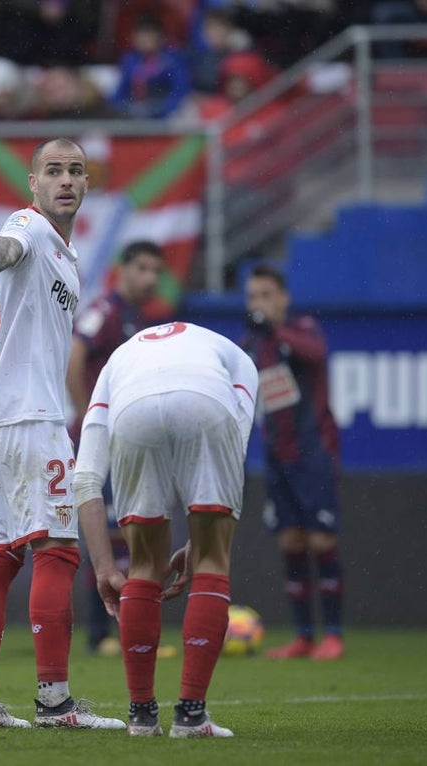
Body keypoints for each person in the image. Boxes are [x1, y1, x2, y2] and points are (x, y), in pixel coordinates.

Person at [0, 138, 125, 732]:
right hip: (31, 416)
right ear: (33, 183)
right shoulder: (28, 227)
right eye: (53, 171)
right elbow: (7, 248)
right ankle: (55, 703)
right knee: (57, 549)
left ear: (87, 183)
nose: (66, 180)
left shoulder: (68, 259)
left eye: (76, 171)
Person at [76, 320, 258, 738]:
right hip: (206, 399)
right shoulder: (235, 357)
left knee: (143, 565)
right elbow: (235, 446)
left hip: (133, 410)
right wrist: (201, 540)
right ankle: (191, 716)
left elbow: (85, 479)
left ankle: (141, 716)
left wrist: (104, 567)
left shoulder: (116, 362)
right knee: (213, 559)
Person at [66, 240, 167, 655]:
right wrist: (88, 418)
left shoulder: (137, 319)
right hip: (103, 441)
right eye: (142, 268)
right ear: (122, 270)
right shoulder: (104, 312)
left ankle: (124, 630)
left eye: (155, 270)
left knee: (128, 531)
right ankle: (102, 633)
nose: (150, 278)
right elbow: (74, 358)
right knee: (108, 536)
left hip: (128, 440)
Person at [241, 263, 345, 661]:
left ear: (283, 298)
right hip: (277, 456)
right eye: (253, 297)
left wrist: (273, 329)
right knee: (290, 541)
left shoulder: (302, 329)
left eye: (266, 295)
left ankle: (332, 635)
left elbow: (314, 353)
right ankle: (303, 636)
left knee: (321, 540)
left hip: (314, 453)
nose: (259, 303)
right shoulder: (253, 345)